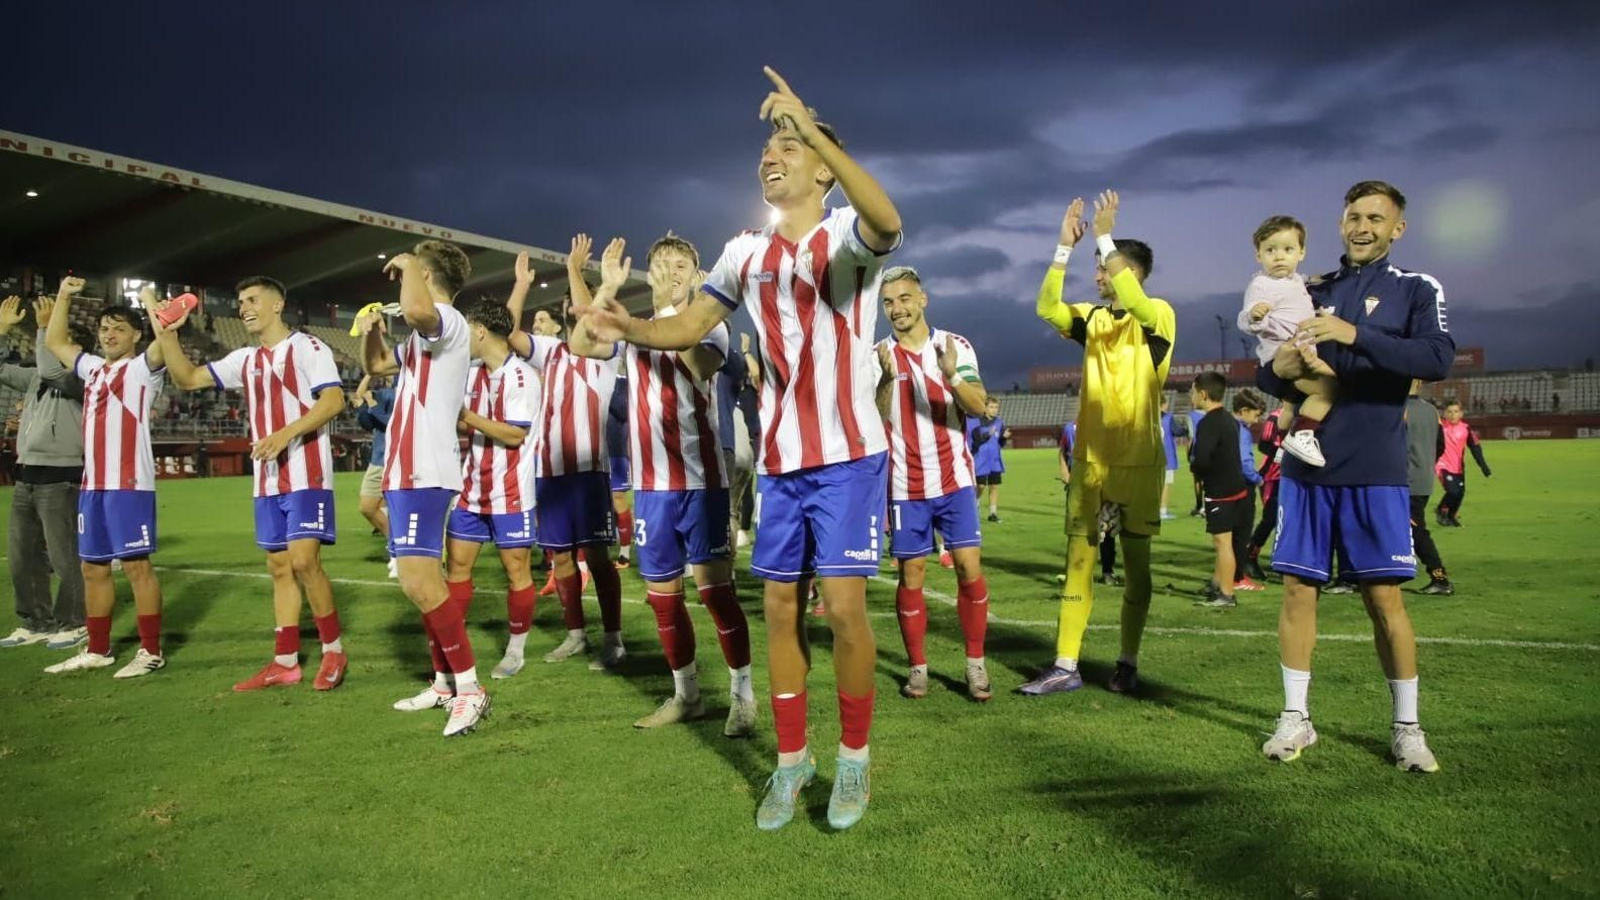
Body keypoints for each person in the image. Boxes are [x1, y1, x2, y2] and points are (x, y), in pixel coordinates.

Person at [579, 68, 901, 832]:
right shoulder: (742, 252)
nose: (772, 154)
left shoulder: (842, 239)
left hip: (850, 455)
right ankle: (794, 763)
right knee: (781, 609)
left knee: (846, 612)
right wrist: (628, 327)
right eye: (767, 145)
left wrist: (813, 126)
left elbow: (887, 222)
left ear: (823, 166)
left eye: (788, 144)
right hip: (785, 461)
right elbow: (687, 327)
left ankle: (854, 758)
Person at [1256, 180, 1453, 773]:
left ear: (1398, 229)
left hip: (1375, 467)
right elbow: (1271, 375)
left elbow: (1436, 359)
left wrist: (1354, 335)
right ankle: (1296, 719)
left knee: (1385, 597)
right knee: (1296, 591)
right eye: (1352, 216)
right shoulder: (1308, 287)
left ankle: (1407, 728)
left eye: (1375, 218)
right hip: (1307, 465)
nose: (1362, 226)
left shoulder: (1416, 289)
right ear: (1341, 223)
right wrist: (1279, 368)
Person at [570, 235, 756, 734]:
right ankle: (686, 695)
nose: (672, 271)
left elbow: (694, 361)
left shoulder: (709, 325)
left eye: (682, 265)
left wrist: (663, 311)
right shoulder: (633, 328)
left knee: (716, 594)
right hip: (653, 487)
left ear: (697, 277)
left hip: (701, 482)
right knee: (663, 599)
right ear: (646, 272)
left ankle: (742, 695)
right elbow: (580, 345)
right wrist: (606, 291)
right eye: (662, 264)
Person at [150, 276, 348, 692]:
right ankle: (285, 662)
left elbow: (333, 401)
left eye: (253, 299)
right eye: (240, 301)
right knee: (278, 567)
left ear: (278, 305)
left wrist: (284, 434)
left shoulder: (309, 348)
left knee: (303, 562)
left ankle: (333, 651)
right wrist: (167, 333)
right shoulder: (244, 359)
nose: (244, 307)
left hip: (306, 472)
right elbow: (186, 377)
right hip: (267, 479)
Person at [1021, 192, 1175, 697]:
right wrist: (1063, 248)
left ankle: (1127, 661)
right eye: (1098, 268)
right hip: (1091, 462)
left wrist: (1106, 235)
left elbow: (1133, 301)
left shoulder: (1158, 315)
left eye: (1105, 268)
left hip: (1138, 461)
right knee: (1079, 563)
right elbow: (1047, 308)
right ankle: (1066, 664)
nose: (1099, 276)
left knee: (1136, 567)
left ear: (1129, 270)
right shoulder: (1091, 319)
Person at [358, 240, 489, 737]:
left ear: (429, 275)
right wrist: (372, 332)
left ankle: (471, 689)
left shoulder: (447, 320)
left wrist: (410, 261)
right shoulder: (421, 339)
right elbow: (376, 367)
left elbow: (416, 308)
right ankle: (443, 683)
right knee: (423, 585)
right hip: (405, 470)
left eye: (415, 269)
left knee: (420, 583)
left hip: (425, 471)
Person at [872, 266, 993, 702]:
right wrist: (886, 378)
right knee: (912, 574)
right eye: (888, 302)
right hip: (905, 484)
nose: (897, 309)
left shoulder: (954, 346)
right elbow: (878, 413)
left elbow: (979, 407)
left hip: (955, 479)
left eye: (904, 299)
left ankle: (975, 665)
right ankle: (918, 668)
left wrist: (951, 375)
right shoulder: (878, 355)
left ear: (922, 300)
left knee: (968, 568)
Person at [507, 238, 626, 672]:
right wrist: (521, 286)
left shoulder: (610, 347)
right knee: (559, 556)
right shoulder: (550, 351)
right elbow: (509, 333)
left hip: (589, 469)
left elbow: (588, 328)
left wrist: (575, 270)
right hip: (550, 469)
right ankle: (576, 633)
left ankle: (613, 638)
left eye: (574, 306)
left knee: (596, 556)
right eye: (565, 308)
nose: (568, 312)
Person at [40, 278, 169, 678]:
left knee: (136, 567)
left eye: (118, 329)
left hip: (129, 484)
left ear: (135, 335)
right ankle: (98, 649)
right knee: (92, 569)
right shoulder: (92, 367)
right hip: (93, 485)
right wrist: (63, 295)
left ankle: (151, 650)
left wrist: (149, 301)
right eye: (104, 329)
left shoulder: (143, 369)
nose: (109, 335)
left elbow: (164, 340)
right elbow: (55, 343)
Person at [443, 288, 543, 680]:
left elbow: (515, 435)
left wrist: (466, 415)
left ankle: (516, 650)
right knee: (457, 568)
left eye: (468, 329)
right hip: (471, 491)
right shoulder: (469, 374)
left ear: (481, 331)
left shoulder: (522, 376)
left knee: (516, 571)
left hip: (511, 493)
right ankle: (452, 648)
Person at [0, 295, 90, 651]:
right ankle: (36, 621)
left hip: (61, 474)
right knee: (23, 555)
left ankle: (74, 621)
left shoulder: (82, 375)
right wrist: (3, 331)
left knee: (64, 555)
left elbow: (53, 369)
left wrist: (42, 328)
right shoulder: (36, 375)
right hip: (27, 475)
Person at [1189, 373, 1249, 608]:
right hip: (1236, 489)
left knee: (1222, 543)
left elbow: (1202, 459)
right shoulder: (1229, 419)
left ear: (1203, 394)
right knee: (1226, 542)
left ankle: (1226, 594)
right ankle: (1217, 582)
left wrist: (1195, 466)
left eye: (1193, 391)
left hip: (1221, 491)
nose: (1191, 396)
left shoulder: (1209, 422)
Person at [1405, 382, 1453, 594]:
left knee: (1416, 530)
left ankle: (1439, 577)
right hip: (1423, 479)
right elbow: (1440, 444)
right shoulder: (1431, 410)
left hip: (1403, 481)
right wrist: (1425, 464)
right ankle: (1373, 576)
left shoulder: (1397, 409)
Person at [1058, 420, 1119, 585]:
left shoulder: (1108, 427)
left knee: (1107, 529)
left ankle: (1108, 572)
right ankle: (1077, 573)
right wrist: (1065, 474)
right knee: (1079, 532)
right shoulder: (1071, 429)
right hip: (1079, 488)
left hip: (1104, 485)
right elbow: (1063, 452)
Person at [354, 373, 397, 576]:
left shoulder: (401, 393)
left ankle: (399, 549)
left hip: (395, 460)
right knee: (367, 507)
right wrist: (370, 374)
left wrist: (371, 404)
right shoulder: (382, 393)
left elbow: (394, 423)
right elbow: (359, 396)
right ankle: (396, 544)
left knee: (397, 509)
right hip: (378, 460)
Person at [1243, 402, 1292, 581]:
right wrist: (1290, 456)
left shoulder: (1302, 415)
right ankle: (1250, 556)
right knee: (1272, 518)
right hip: (1273, 476)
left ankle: (1283, 563)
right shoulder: (1275, 417)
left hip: (1293, 477)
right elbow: (1264, 444)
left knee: (1288, 520)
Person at [1230, 391, 1266, 592]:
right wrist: (1259, 480)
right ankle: (1238, 577)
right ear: (1244, 410)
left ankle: (1229, 576)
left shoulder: (1225, 425)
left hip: (1227, 486)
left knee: (1230, 535)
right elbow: (1245, 463)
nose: (1257, 419)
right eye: (1255, 414)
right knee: (1241, 535)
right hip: (1243, 487)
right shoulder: (1241, 431)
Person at [1434, 400, 1489, 527]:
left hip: (1458, 467)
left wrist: (1483, 466)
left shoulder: (1466, 429)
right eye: (1449, 412)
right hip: (1442, 465)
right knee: (1453, 491)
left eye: (1456, 411)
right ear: (1444, 414)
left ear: (1461, 414)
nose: (1453, 415)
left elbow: (1475, 448)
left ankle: (1451, 516)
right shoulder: (1439, 428)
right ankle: (1441, 510)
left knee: (1460, 493)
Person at [967, 397, 1009, 523]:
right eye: (991, 407)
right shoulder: (976, 422)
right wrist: (987, 434)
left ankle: (993, 513)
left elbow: (1000, 442)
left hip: (995, 459)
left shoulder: (999, 422)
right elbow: (976, 440)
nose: (994, 410)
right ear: (985, 408)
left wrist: (1004, 437)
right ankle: (976, 502)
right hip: (980, 459)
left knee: (994, 486)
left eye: (996, 407)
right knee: (980, 486)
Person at [1159, 395, 1178, 519]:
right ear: (1164, 404)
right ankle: (1163, 510)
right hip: (1167, 456)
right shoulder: (1168, 418)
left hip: (1152, 456)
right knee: (1166, 483)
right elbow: (1177, 430)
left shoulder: (1148, 416)